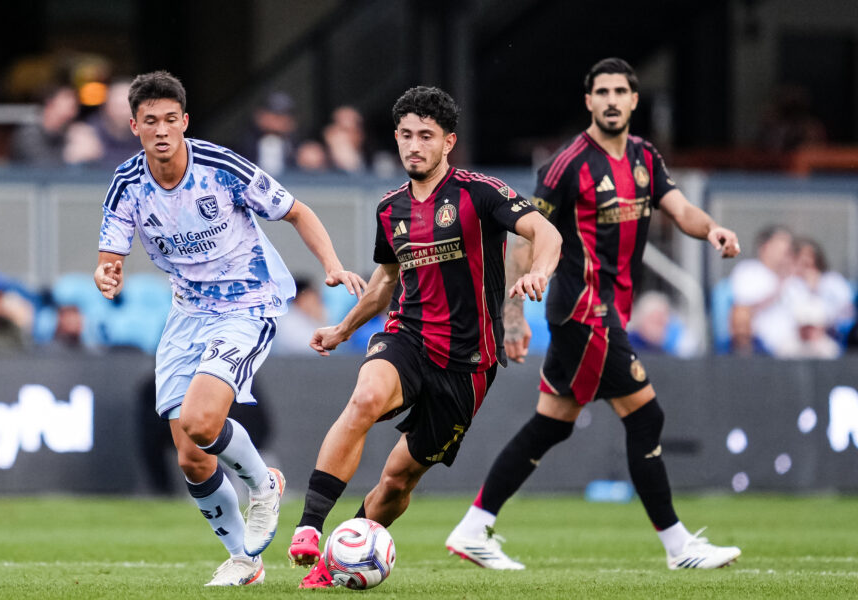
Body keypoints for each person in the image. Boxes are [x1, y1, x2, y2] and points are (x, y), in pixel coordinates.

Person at [445, 58, 743, 572]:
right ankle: (678, 547)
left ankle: (472, 529)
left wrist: (712, 229)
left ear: (632, 100)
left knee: (550, 425)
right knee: (646, 416)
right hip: (583, 310)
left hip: (609, 313)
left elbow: (679, 209)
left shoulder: (646, 157)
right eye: (600, 90)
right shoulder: (567, 165)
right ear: (588, 101)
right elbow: (526, 235)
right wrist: (511, 317)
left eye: (620, 91)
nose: (610, 99)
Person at [92, 71, 365, 587]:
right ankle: (245, 558)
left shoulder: (220, 167)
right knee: (192, 457)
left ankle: (264, 485)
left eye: (171, 119)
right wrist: (107, 272)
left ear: (185, 121)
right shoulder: (127, 184)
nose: (162, 130)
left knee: (200, 421)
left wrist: (329, 263)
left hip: (248, 302)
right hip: (186, 314)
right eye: (150, 121)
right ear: (134, 126)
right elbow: (110, 253)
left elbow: (296, 211)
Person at [286, 86, 562, 588]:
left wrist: (539, 272)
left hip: (469, 364)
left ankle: (339, 559)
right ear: (396, 138)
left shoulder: (481, 192)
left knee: (397, 481)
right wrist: (343, 329)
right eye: (407, 135)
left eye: (427, 136)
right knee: (366, 397)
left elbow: (547, 234)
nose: (415, 145)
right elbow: (386, 283)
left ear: (448, 142)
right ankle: (309, 526)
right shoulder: (389, 209)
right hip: (407, 337)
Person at [729, 225, 797, 357]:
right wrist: (779, 287)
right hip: (760, 348)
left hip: (796, 347)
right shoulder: (748, 271)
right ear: (765, 246)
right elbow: (742, 313)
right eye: (781, 244)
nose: (786, 250)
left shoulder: (795, 279)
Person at [9, 84, 80, 166]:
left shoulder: (65, 133)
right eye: (69, 107)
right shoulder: (28, 132)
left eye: (74, 108)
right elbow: (42, 167)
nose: (72, 114)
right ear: (50, 104)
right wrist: (70, 156)